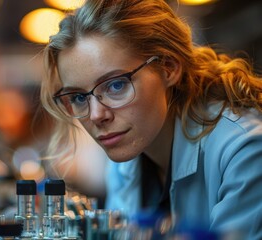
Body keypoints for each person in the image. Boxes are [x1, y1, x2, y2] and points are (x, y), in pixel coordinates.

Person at [40, 0, 262, 238]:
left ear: (168, 67)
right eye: (78, 97)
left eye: (116, 85)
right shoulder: (126, 153)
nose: (96, 116)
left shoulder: (244, 150)